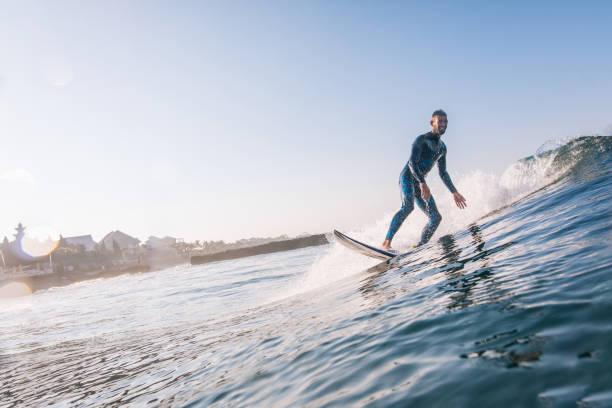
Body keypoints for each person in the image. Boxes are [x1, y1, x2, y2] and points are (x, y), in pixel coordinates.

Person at [381, 110, 466, 251]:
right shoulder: (422, 140)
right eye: (440, 121)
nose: (443, 124)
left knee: (436, 218)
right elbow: (412, 163)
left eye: (446, 122)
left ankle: (420, 246)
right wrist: (422, 182)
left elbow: (443, 172)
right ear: (432, 123)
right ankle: (386, 243)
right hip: (408, 178)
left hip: (420, 183)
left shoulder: (442, 148)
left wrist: (454, 192)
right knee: (408, 206)